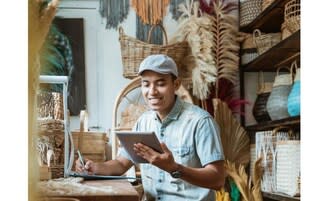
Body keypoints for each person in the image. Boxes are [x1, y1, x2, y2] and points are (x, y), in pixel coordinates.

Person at [76, 54, 225, 201]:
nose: (152, 91)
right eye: (146, 84)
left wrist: (174, 168)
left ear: (176, 84)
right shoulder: (143, 121)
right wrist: (94, 168)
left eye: (160, 84)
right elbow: (121, 163)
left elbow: (218, 180)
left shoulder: (200, 122)